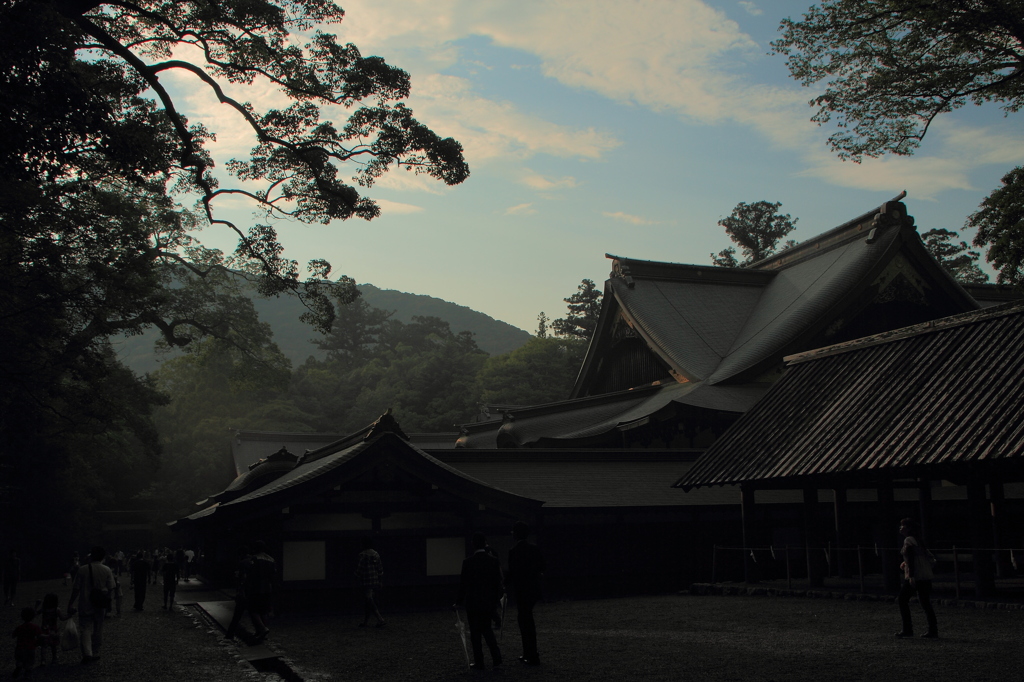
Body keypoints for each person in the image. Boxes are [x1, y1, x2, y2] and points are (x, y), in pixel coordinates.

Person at [456, 532, 504, 671]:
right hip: (488, 602)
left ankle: (479, 661)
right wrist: (495, 600)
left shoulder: (468, 562)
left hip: (473, 602)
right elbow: (497, 583)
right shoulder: (493, 561)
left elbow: (463, 584)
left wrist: (458, 601)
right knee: (487, 629)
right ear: (485, 543)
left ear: (473, 544)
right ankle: (496, 657)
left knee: (475, 633)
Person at [68, 546, 115, 664]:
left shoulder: (82, 570)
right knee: (98, 627)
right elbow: (111, 588)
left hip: (85, 602)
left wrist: (70, 603)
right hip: (100, 603)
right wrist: (108, 602)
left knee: (85, 628)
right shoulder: (106, 569)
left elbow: (76, 588)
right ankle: (95, 650)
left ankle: (87, 653)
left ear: (91, 555)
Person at [507, 521, 544, 666]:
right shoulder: (534, 549)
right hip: (533, 589)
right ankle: (532, 653)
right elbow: (543, 565)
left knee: (524, 621)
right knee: (528, 620)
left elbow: (512, 573)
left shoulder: (514, 551)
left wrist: (503, 585)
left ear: (516, 534)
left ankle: (530, 654)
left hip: (521, 590)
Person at [895, 518, 938, 639]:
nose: (900, 527)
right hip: (925, 574)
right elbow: (928, 557)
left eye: (903, 526)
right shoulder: (918, 540)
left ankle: (908, 629)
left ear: (908, 528)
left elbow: (911, 558)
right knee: (925, 603)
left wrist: (911, 575)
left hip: (916, 575)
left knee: (902, 600)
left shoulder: (908, 540)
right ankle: (933, 630)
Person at [245, 541, 275, 641]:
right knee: (264, 610)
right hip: (268, 587)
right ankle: (262, 632)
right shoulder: (271, 559)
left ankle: (262, 628)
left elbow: (250, 573)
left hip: (256, 586)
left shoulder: (254, 559)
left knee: (253, 609)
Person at [354, 538, 386, 628]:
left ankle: (380, 619)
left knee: (369, 600)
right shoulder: (376, 554)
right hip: (375, 580)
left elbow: (359, 569)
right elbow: (380, 569)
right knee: (369, 601)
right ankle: (366, 622)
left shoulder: (362, 555)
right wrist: (380, 581)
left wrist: (355, 576)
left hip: (366, 580)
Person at [224, 546, 252, 641]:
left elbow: (241, 578)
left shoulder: (242, 563)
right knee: (255, 613)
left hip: (244, 591)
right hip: (254, 590)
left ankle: (230, 633)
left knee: (237, 614)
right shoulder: (253, 561)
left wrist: (239, 591)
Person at [35, 593, 71, 666]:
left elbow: (35, 614)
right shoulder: (57, 610)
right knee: (53, 645)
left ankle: (43, 660)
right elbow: (62, 618)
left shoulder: (44, 609)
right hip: (53, 629)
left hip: (44, 629)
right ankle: (54, 659)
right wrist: (69, 615)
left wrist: (36, 605)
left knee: (43, 646)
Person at [11, 606, 42, 679]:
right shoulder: (35, 627)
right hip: (30, 647)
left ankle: (18, 668)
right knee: (29, 661)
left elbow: (13, 635)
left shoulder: (20, 627)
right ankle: (27, 673)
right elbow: (39, 636)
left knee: (19, 660)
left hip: (20, 647)